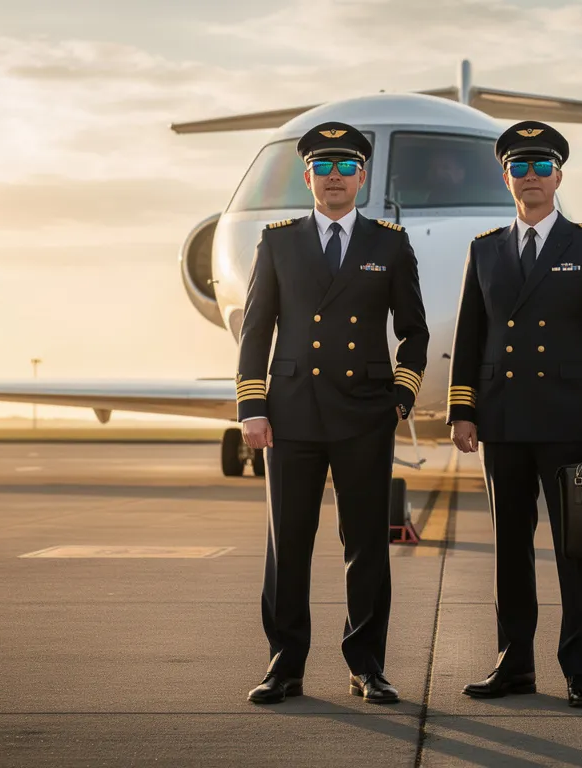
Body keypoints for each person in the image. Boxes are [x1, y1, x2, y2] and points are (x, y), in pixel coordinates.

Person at [235, 120, 429, 705]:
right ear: (308, 175)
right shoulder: (278, 241)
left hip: (362, 416)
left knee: (366, 544)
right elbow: (255, 330)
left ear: (363, 175)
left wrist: (400, 396)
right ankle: (284, 664)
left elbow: (414, 331)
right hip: (291, 415)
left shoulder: (389, 243)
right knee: (287, 544)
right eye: (325, 167)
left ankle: (367, 665)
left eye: (347, 167)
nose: (336, 177)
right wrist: (252, 406)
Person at [445, 120, 582, 708]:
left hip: (569, 420)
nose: (531, 178)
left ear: (559, 175)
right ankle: (514, 665)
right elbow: (470, 336)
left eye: (541, 167)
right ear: (505, 177)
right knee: (509, 548)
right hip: (502, 422)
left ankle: (579, 670)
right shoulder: (484, 250)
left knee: (577, 551)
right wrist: (463, 410)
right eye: (519, 168)